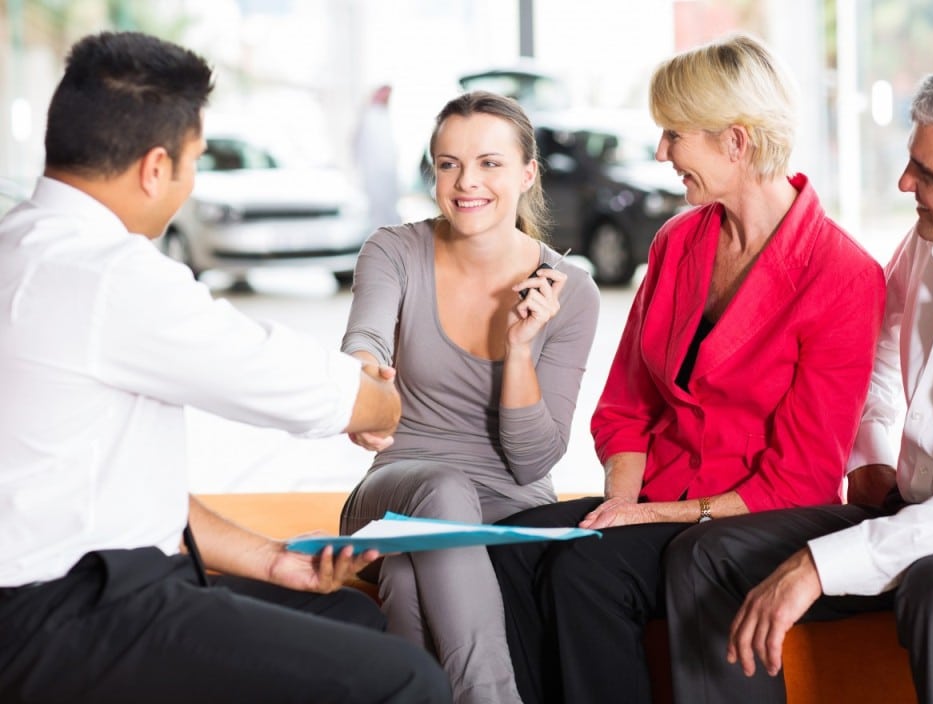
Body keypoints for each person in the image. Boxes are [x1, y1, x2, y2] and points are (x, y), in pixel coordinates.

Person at [0, 31, 451, 704]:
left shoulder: (19, 245)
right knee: (406, 681)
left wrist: (271, 560)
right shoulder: (109, 274)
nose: (190, 181)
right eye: (194, 161)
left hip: (68, 586)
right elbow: (309, 392)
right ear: (156, 167)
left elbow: (104, 493)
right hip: (60, 614)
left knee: (352, 615)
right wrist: (378, 398)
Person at [487, 33, 886, 704]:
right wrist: (623, 500)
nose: (662, 153)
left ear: (736, 141)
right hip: (658, 499)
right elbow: (627, 405)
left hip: (756, 518)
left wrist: (645, 518)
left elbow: (800, 478)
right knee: (504, 549)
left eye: (674, 135)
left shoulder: (843, 275)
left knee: (585, 571)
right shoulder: (679, 241)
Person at [664, 51, 933, 704]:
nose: (904, 184)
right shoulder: (931, 244)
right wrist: (876, 451)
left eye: (927, 173)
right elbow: (882, 356)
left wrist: (818, 565)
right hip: (909, 511)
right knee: (705, 554)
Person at [338, 90, 600, 704]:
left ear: (528, 173)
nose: (466, 182)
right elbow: (365, 341)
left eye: (489, 163)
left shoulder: (571, 292)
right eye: (448, 164)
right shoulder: (395, 251)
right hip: (395, 489)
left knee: (407, 578)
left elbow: (532, 463)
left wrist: (519, 349)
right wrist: (362, 383)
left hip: (513, 505)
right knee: (444, 493)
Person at [352, 83, 402, 228]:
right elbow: (358, 146)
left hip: (387, 172)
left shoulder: (385, 116)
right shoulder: (368, 115)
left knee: (388, 207)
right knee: (376, 209)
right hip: (372, 172)